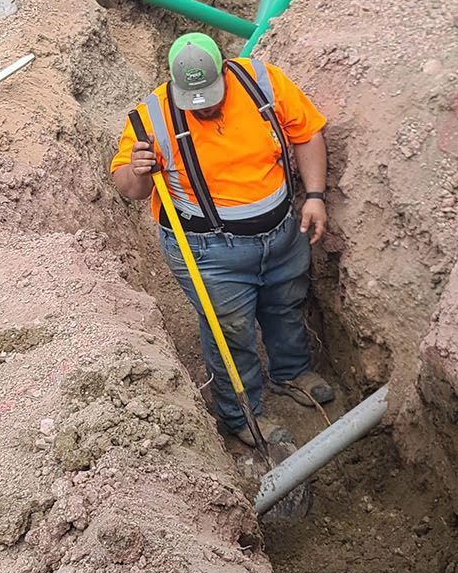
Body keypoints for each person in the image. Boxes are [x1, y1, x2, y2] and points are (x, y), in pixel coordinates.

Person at [111, 32, 334, 446]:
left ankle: (291, 372)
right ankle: (241, 415)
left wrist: (316, 196)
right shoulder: (150, 119)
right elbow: (131, 189)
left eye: (211, 94)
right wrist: (137, 170)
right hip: (209, 252)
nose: (204, 106)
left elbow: (307, 133)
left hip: (284, 232)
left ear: (226, 70)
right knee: (231, 333)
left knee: (287, 304)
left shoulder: (263, 83)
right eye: (193, 98)